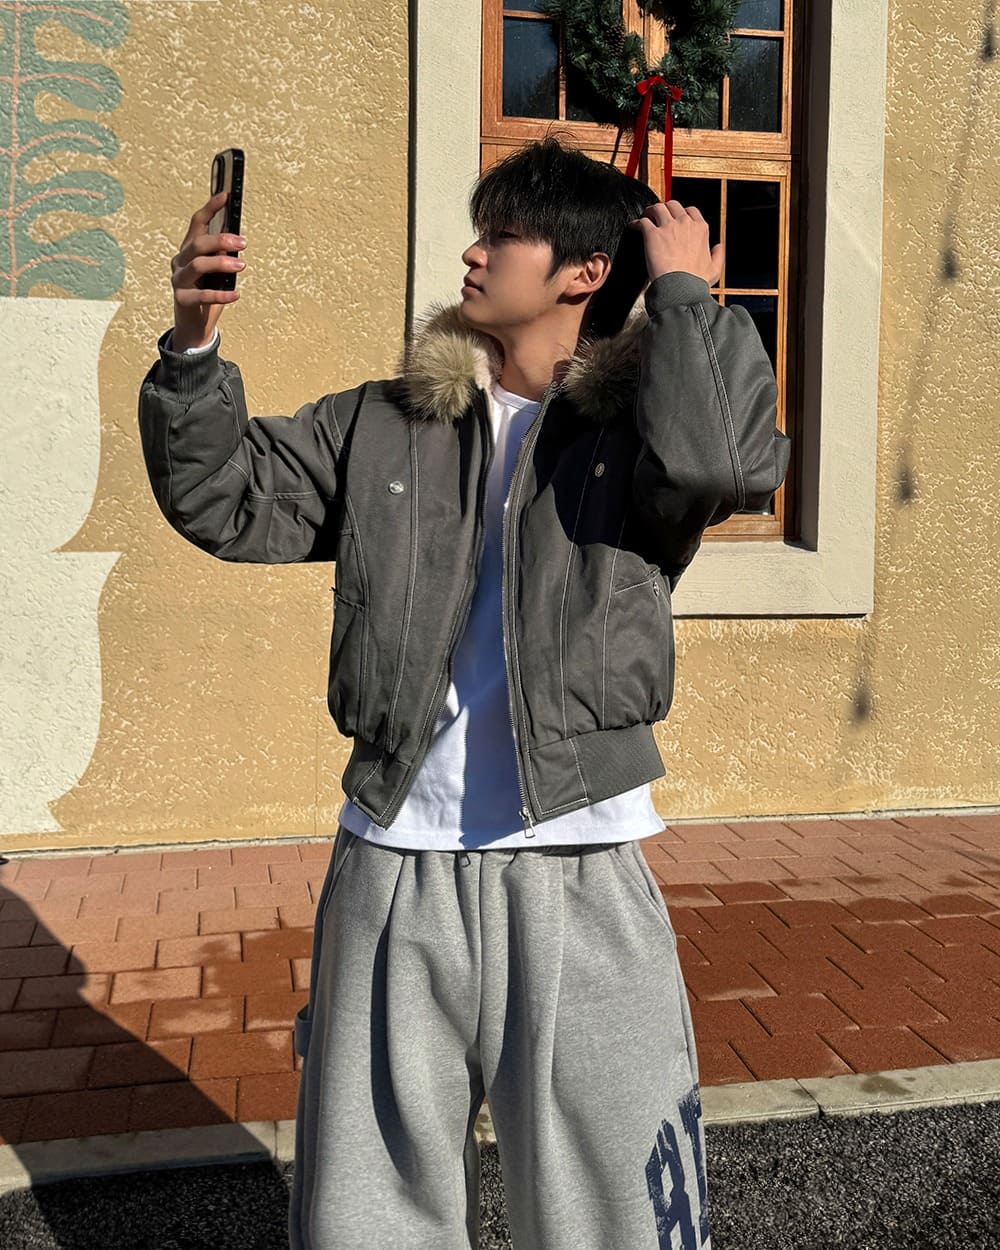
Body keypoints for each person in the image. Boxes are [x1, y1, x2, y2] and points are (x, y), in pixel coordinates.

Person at [138, 134, 790, 1250]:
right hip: (396, 859)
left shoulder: (634, 436)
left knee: (614, 1211)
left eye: (504, 234)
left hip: (580, 859)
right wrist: (194, 343)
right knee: (369, 1211)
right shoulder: (383, 421)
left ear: (584, 272)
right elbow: (224, 497)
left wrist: (685, 293)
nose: (472, 254)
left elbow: (726, 463)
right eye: (479, 231)